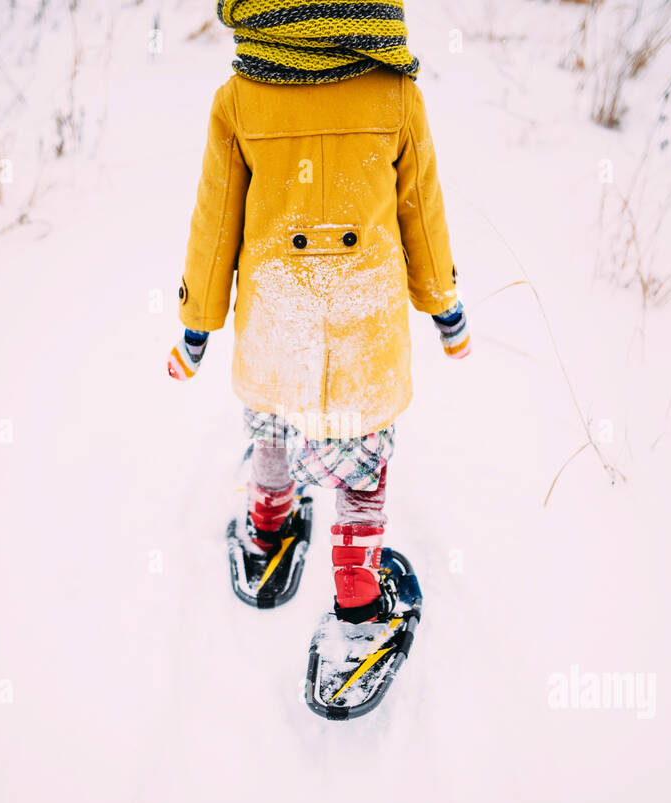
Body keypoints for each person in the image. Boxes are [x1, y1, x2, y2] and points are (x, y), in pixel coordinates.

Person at [169, 0, 469, 623]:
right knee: (364, 457)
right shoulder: (397, 95)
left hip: (276, 318)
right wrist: (445, 308)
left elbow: (215, 223)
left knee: (274, 424)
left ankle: (268, 525)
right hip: (366, 323)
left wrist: (197, 324)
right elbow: (423, 214)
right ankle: (357, 598)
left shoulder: (241, 97)